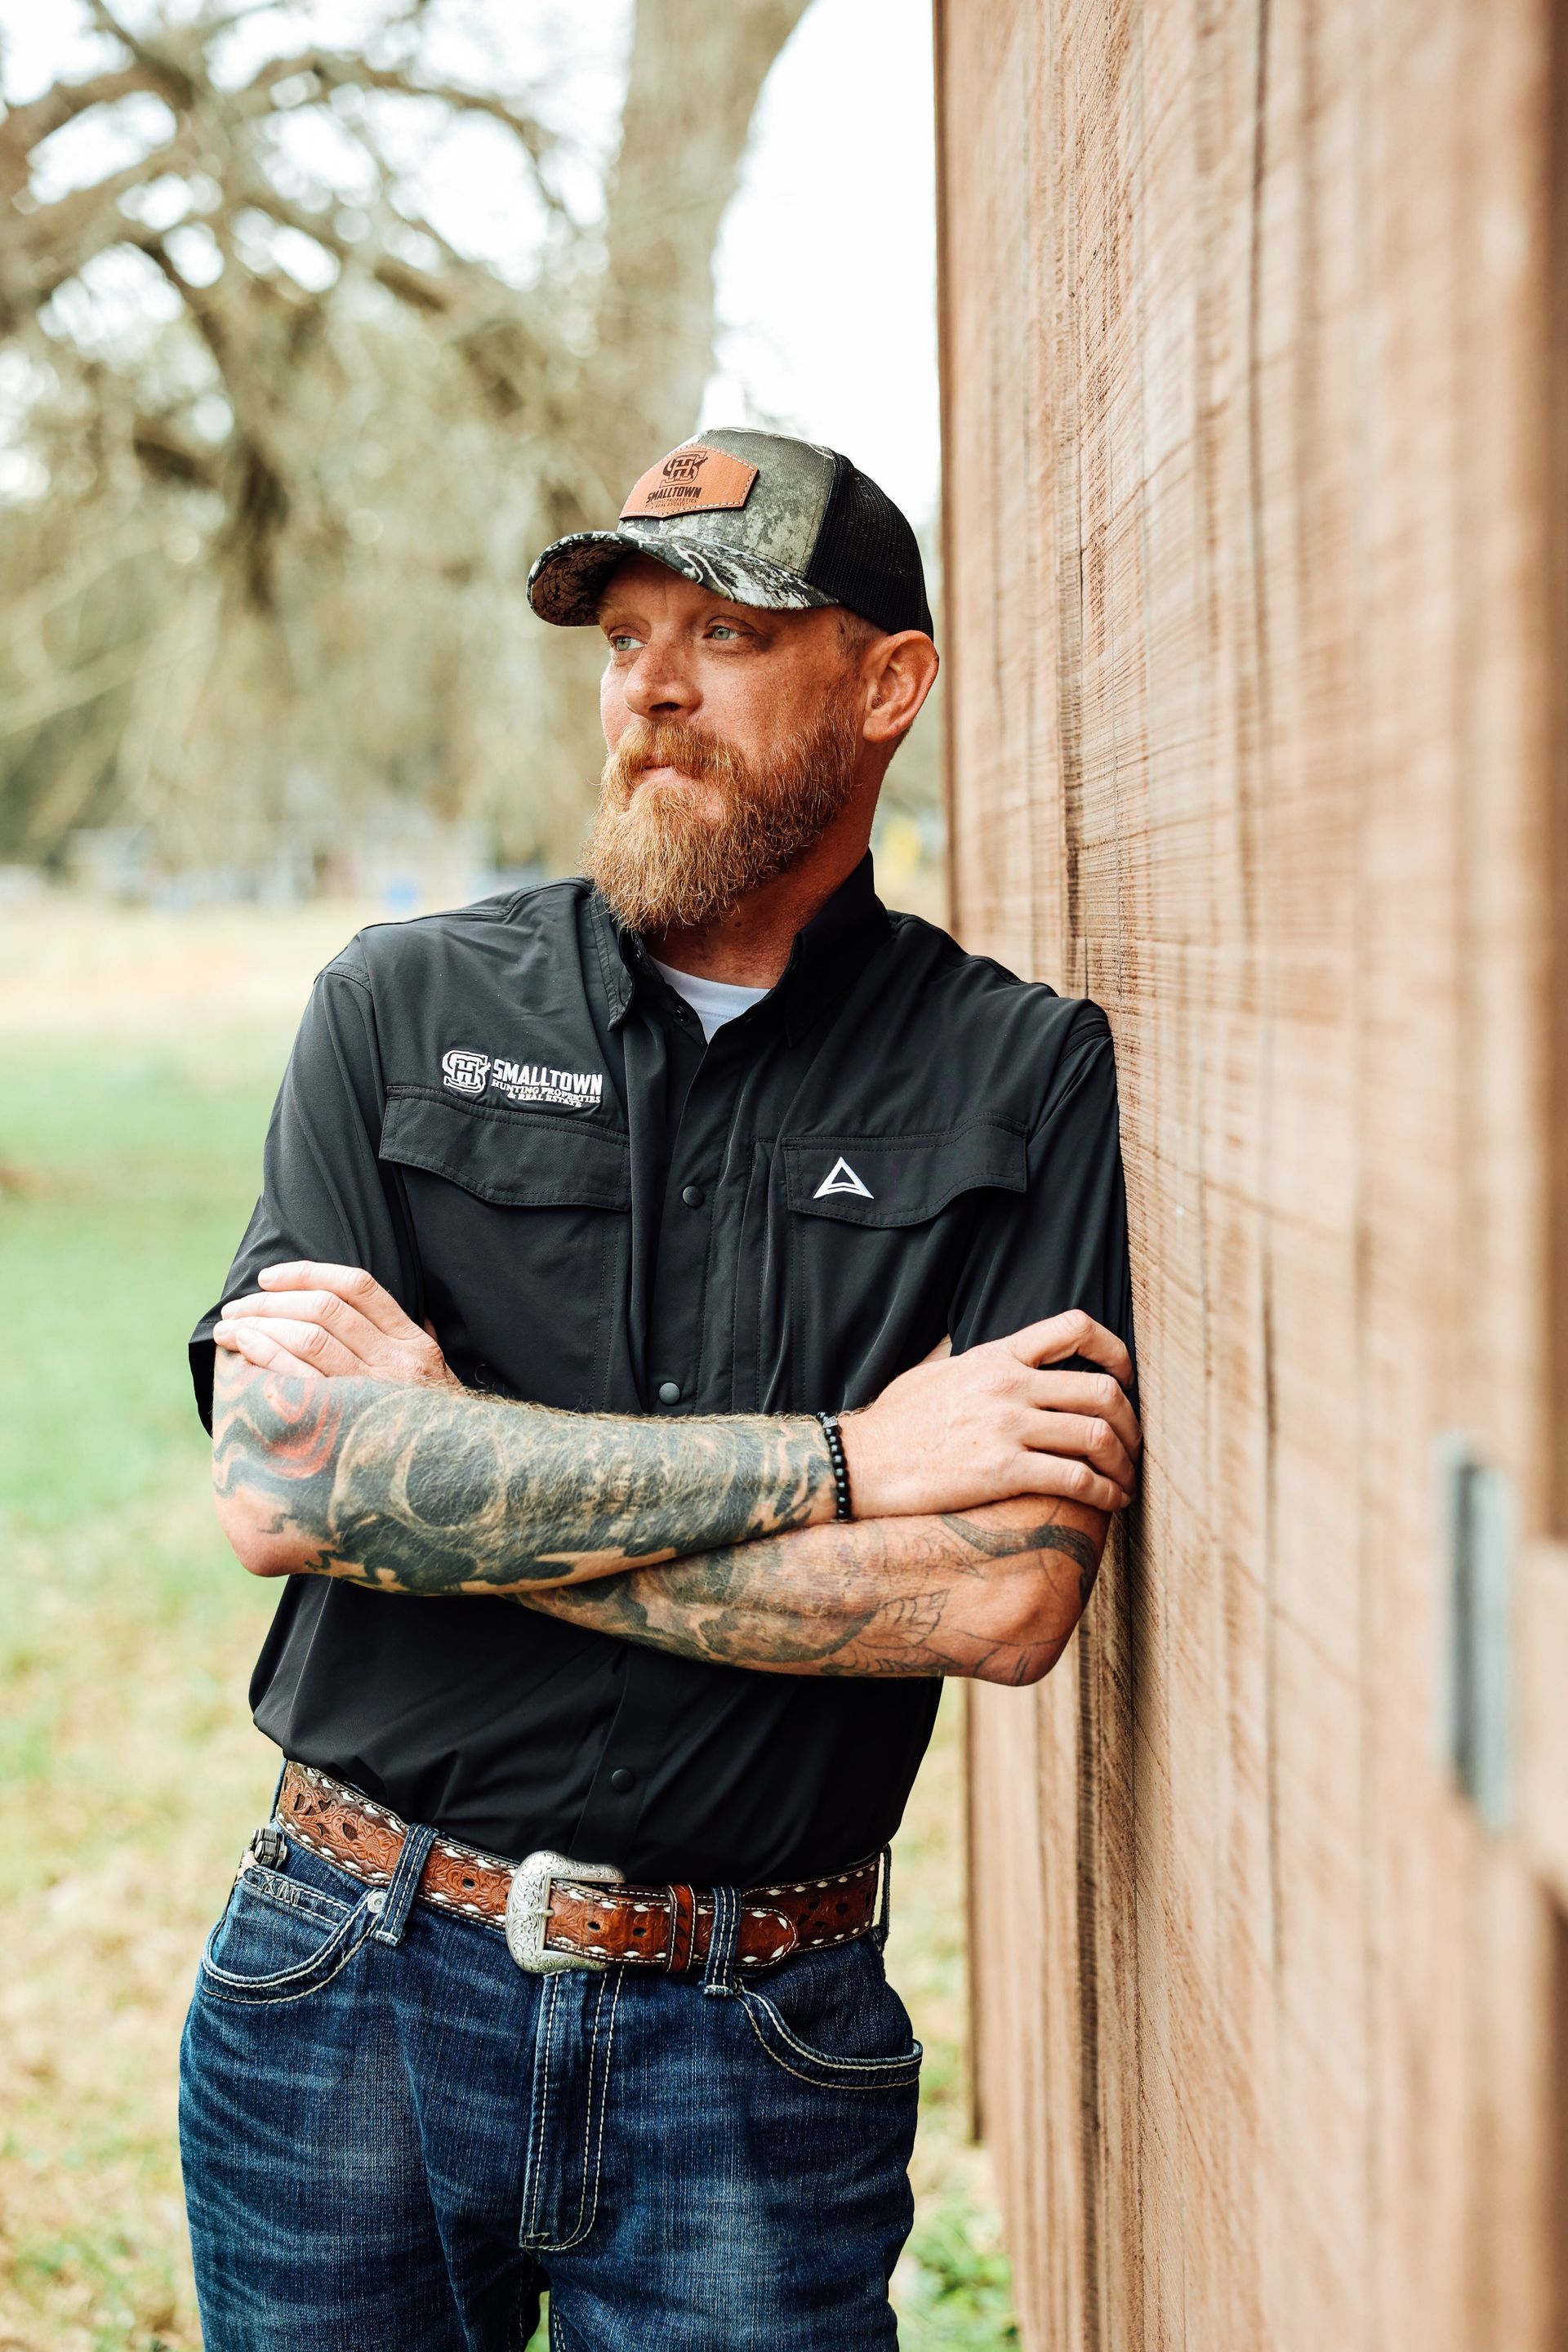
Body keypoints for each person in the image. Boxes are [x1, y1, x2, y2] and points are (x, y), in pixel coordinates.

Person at [180, 426, 1139, 2352]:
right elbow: (285, 1486)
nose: (654, 689)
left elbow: (999, 1602)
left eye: (727, 633)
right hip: (349, 1985)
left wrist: (444, 1482)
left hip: (753, 2050)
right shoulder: (404, 1011)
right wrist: (848, 1465)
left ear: (888, 684)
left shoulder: (1016, 1076)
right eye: (625, 639)